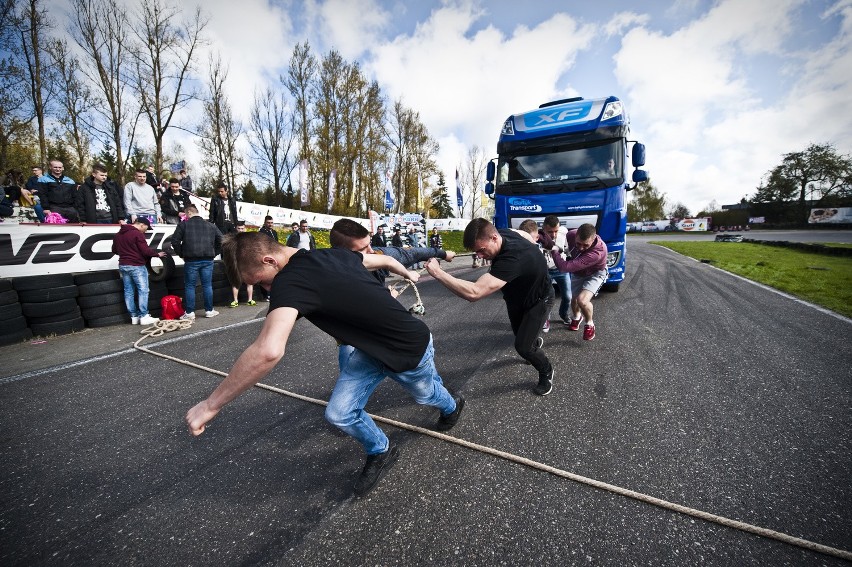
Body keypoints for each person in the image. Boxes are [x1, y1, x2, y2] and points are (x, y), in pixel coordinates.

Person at [184, 232, 465, 497]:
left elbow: (267, 351)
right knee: (339, 414)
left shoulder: (289, 281)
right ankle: (380, 449)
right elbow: (387, 259)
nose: (265, 289)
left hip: (407, 349)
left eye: (260, 281)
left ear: (269, 261)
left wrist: (211, 405)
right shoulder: (334, 254)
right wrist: (406, 272)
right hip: (368, 352)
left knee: (426, 395)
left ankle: (452, 406)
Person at [425, 218, 554, 396]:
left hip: (539, 299)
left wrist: (438, 273)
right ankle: (532, 339)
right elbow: (524, 234)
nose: (479, 256)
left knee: (523, 347)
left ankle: (546, 370)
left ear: (494, 238)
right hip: (516, 297)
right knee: (521, 335)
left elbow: (474, 293)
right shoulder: (505, 233)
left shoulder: (513, 259)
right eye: (476, 252)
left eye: (481, 250)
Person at [545, 223, 608, 341]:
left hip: (595, 274)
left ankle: (589, 324)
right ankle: (577, 317)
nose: (581, 248)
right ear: (576, 235)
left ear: (593, 239)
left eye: (586, 245)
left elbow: (564, 268)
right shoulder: (571, 234)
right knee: (573, 298)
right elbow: (564, 244)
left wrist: (553, 250)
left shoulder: (597, 253)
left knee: (582, 300)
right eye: (578, 243)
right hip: (579, 273)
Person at [170, 204, 222, 320]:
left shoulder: (183, 225)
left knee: (190, 286)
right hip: (208, 259)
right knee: (207, 285)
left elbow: (175, 241)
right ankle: (209, 310)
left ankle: (189, 313)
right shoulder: (211, 226)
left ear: (188, 213)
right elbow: (222, 240)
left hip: (191, 260)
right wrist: (214, 253)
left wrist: (182, 254)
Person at [111, 216, 165, 325]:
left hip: (123, 265)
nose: (146, 230)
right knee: (143, 290)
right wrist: (156, 254)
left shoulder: (118, 235)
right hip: (136, 265)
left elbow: (114, 250)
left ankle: (134, 317)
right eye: (146, 228)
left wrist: (126, 252)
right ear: (141, 225)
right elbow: (145, 251)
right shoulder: (137, 234)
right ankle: (144, 316)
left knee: (129, 291)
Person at [541, 216, 571, 331]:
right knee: (546, 297)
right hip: (546, 271)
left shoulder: (564, 233)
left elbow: (568, 249)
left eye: (556, 231)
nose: (553, 234)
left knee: (568, 296)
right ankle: (545, 319)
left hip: (561, 270)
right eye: (550, 232)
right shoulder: (538, 238)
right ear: (543, 229)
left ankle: (564, 314)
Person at [229, 221, 256, 308]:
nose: (241, 230)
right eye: (239, 228)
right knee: (235, 282)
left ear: (245, 228)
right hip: (236, 263)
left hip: (248, 263)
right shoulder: (232, 239)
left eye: (242, 228)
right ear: (236, 229)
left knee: (250, 281)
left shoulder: (249, 238)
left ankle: (250, 300)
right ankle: (235, 300)